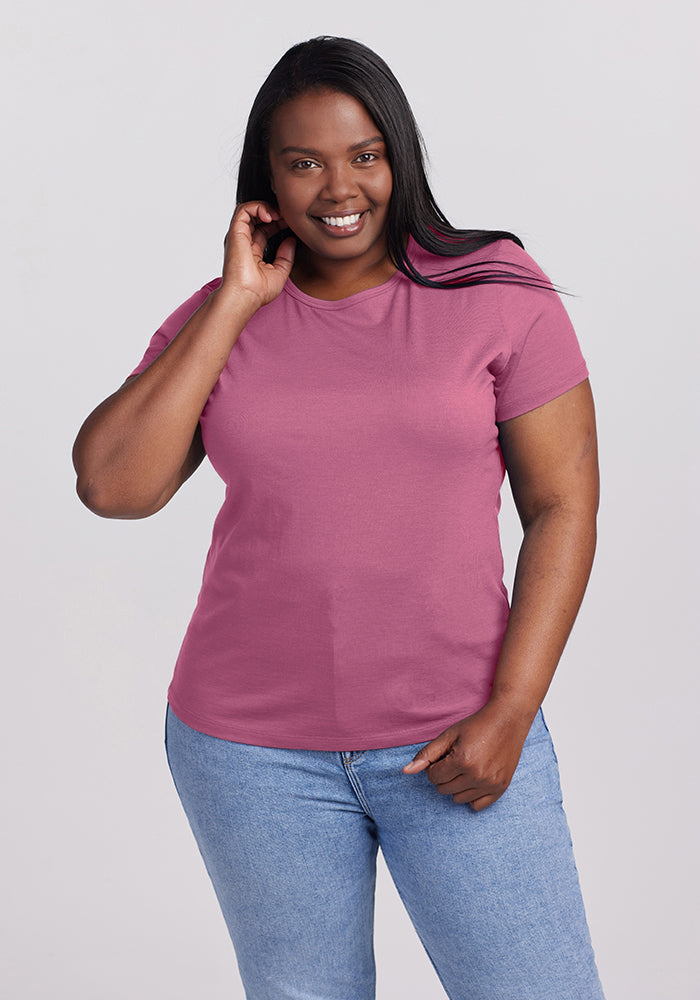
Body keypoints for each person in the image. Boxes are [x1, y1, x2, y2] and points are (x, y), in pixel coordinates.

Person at [73, 35, 606, 1000]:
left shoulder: (495, 290)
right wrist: (235, 302)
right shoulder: (220, 317)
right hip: (249, 755)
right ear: (265, 177)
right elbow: (114, 487)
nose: (338, 187)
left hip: (459, 738)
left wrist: (513, 713)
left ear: (399, 157)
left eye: (363, 154)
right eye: (304, 160)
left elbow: (562, 505)